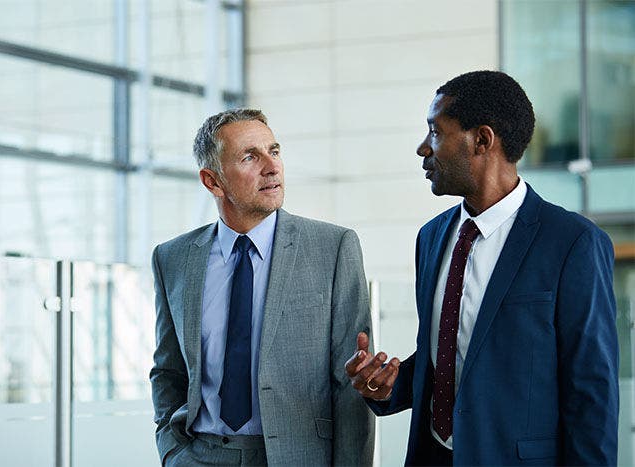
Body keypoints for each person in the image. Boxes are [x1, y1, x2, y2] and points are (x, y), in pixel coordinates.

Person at [345, 70, 619, 466]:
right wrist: (387, 384)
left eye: (435, 132)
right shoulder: (431, 237)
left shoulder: (573, 243)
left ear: (482, 140)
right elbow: (452, 358)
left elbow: (591, 393)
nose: (423, 148)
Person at [151, 108, 374, 466]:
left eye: (274, 151)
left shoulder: (332, 248)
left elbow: (350, 387)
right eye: (250, 157)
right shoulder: (173, 258)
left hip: (296, 457)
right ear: (213, 181)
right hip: (200, 456)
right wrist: (172, 451)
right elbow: (168, 369)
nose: (272, 167)